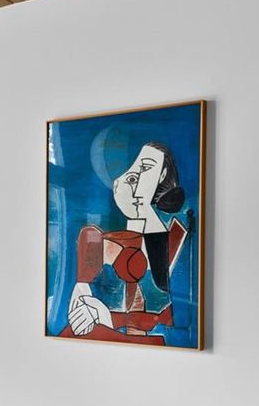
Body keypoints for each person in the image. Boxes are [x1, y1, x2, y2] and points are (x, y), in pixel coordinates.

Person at [62, 142, 189, 345]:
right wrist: (83, 297)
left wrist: (107, 318)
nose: (135, 185)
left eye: (145, 168)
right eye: (127, 177)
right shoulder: (100, 243)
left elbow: (183, 322)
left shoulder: (180, 240)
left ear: (163, 174)